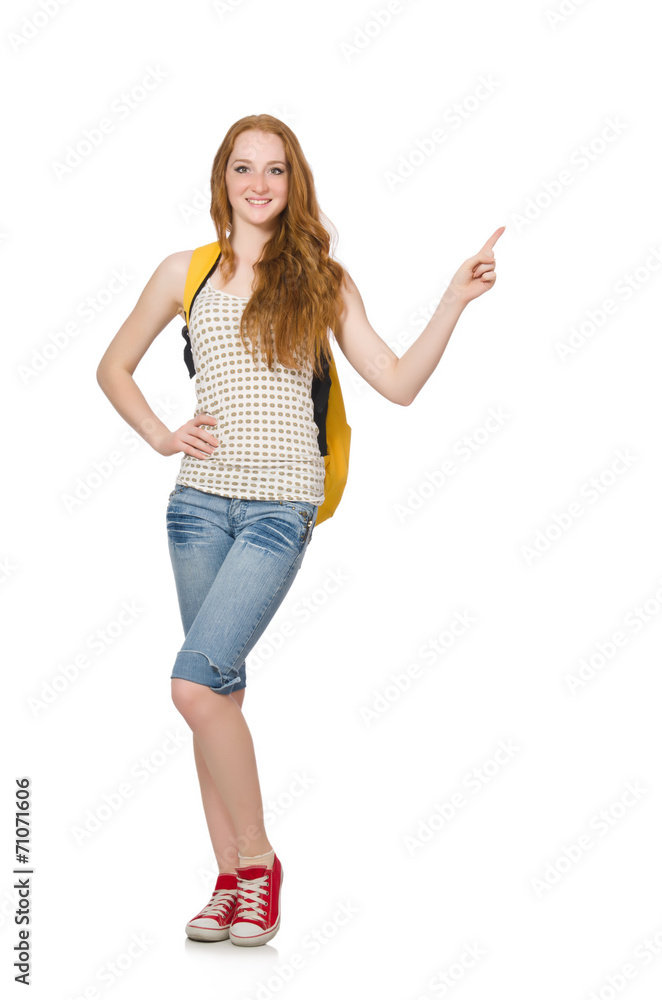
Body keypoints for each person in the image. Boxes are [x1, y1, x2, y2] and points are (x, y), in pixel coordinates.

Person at [96, 113, 504, 949]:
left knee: (191, 686)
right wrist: (161, 433)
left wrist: (453, 299)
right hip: (197, 505)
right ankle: (227, 885)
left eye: (275, 170)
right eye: (243, 168)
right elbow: (112, 365)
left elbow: (394, 381)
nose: (258, 184)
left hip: (279, 509)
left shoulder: (321, 277)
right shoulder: (185, 272)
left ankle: (259, 862)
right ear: (222, 181)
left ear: (293, 182)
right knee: (219, 699)